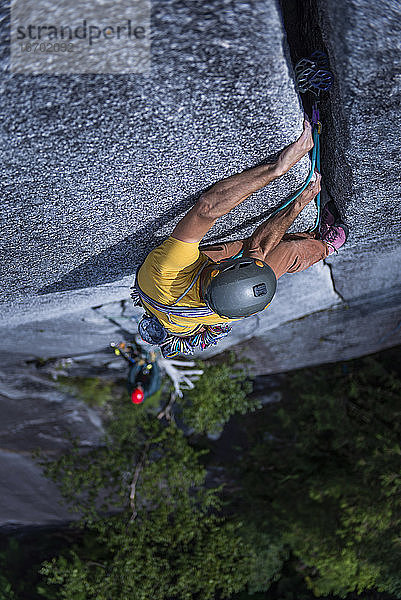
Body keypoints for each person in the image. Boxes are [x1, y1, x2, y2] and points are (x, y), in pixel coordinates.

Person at [133, 120, 348, 357]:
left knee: (240, 246)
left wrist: (279, 168)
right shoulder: (223, 311)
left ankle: (306, 234)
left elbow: (207, 208)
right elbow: (260, 249)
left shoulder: (168, 270)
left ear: (219, 269)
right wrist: (297, 204)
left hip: (169, 292)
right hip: (189, 309)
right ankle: (324, 246)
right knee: (288, 253)